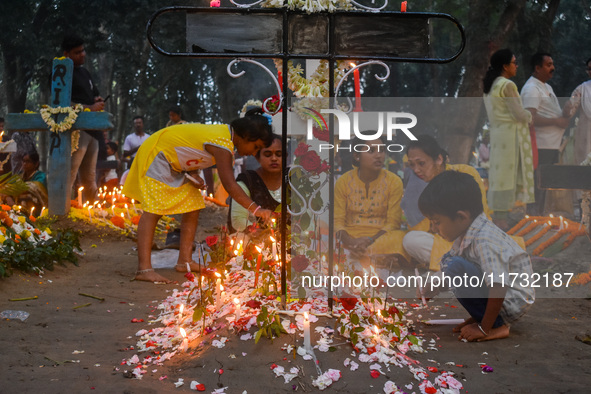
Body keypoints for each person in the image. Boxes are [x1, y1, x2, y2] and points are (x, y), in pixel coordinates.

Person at [122, 108, 274, 283]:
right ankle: (144, 269)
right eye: (256, 147)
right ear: (245, 136)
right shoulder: (223, 143)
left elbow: (191, 145)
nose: (254, 153)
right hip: (158, 154)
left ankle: (184, 261)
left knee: (193, 205)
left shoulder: (225, 138)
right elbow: (230, 185)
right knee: (154, 210)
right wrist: (256, 209)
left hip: (172, 160)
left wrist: (193, 173)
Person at [418, 170, 535, 342]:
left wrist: (484, 328)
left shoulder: (485, 241)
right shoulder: (467, 232)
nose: (434, 229)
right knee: (448, 261)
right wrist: (433, 286)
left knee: (455, 266)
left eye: (437, 222)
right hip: (499, 296)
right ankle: (486, 317)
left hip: (509, 302)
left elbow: (499, 286)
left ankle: (496, 325)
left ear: (460, 216)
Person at [402, 135, 491, 271]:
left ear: (438, 159)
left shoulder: (464, 172)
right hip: (443, 240)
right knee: (411, 240)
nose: (416, 170)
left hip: (472, 238)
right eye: (412, 165)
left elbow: (479, 215)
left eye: (421, 163)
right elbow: (426, 228)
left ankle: (456, 267)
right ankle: (457, 266)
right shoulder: (419, 184)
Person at [334, 136, 409, 266]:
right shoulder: (344, 181)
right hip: (350, 238)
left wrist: (369, 240)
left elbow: (393, 223)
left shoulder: (394, 181)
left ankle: (362, 255)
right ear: (357, 156)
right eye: (371, 151)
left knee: (402, 238)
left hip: (380, 238)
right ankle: (377, 258)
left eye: (381, 150)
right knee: (323, 236)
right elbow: (338, 221)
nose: (378, 155)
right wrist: (351, 242)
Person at [483, 49, 535, 225]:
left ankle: (499, 216)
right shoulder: (507, 85)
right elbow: (519, 114)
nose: (517, 66)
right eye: (514, 62)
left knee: (500, 177)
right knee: (508, 177)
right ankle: (503, 220)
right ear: (505, 66)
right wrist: (529, 116)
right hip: (511, 137)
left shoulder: (490, 86)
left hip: (498, 136)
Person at [520, 52, 570, 215]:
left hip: (550, 145)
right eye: (548, 65)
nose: (553, 68)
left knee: (544, 184)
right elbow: (530, 118)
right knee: (537, 184)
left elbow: (552, 113)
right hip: (539, 146)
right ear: (537, 68)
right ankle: (533, 219)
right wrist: (556, 122)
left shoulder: (546, 87)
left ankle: (540, 218)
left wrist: (565, 114)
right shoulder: (531, 88)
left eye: (552, 64)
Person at [62, 34, 105, 202]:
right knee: (70, 173)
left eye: (83, 50)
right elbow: (62, 105)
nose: (82, 54)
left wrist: (97, 101)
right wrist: (90, 108)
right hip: (75, 131)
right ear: (66, 54)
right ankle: (61, 212)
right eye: (77, 52)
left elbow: (93, 95)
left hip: (92, 130)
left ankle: (93, 213)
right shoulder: (62, 73)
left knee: (90, 176)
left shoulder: (85, 72)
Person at [229, 134, 282, 232]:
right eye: (268, 154)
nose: (274, 158)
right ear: (258, 157)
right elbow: (238, 220)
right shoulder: (247, 181)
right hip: (258, 242)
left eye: (279, 154)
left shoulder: (293, 179)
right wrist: (260, 233)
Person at [563, 57, 591, 165]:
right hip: (586, 137)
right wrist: (567, 108)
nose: (590, 71)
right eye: (589, 69)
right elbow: (570, 111)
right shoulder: (582, 89)